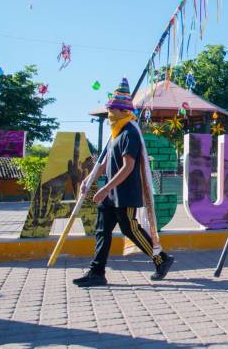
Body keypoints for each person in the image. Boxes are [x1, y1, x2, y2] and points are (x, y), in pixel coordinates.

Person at [73, 78, 173, 287]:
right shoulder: (115, 134)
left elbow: (128, 167)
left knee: (131, 229)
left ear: (122, 111)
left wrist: (106, 188)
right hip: (109, 193)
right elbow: (104, 162)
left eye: (112, 109)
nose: (109, 113)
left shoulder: (130, 133)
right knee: (102, 230)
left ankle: (161, 259)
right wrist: (89, 178)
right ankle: (97, 272)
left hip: (125, 192)